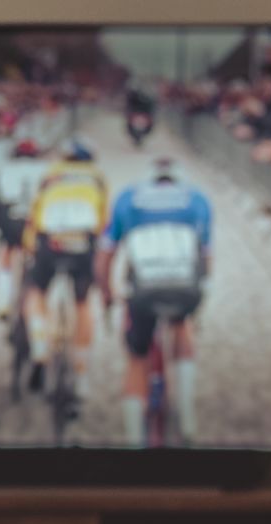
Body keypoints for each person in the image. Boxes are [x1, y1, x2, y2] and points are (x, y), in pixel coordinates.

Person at [95, 157, 212, 446]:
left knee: (137, 357)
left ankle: (134, 437)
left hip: (144, 291)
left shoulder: (128, 198)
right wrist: (201, 294)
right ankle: (186, 413)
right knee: (182, 326)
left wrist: (107, 293)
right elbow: (206, 256)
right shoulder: (197, 199)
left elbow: (106, 255)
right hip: (185, 288)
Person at [21, 138, 110, 399]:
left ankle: (39, 349)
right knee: (83, 303)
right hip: (83, 241)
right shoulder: (97, 177)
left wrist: (29, 246)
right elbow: (104, 220)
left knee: (36, 292)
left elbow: (34, 214)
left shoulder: (51, 174)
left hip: (51, 240)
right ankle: (81, 373)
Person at [0, 138, 49, 319]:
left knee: (6, 254)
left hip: (11, 217)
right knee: (36, 261)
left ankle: (2, 301)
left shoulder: (5, 169)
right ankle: (35, 309)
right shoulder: (45, 169)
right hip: (33, 221)